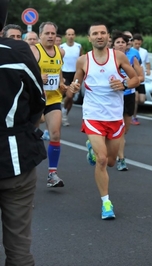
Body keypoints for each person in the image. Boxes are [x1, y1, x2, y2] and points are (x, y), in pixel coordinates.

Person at [69, 22, 140, 220]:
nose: (99, 36)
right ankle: (106, 203)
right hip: (93, 116)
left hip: (114, 117)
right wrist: (72, 89)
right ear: (89, 38)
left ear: (107, 37)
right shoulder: (83, 60)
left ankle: (92, 148)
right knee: (101, 160)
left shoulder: (118, 56)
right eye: (95, 33)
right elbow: (75, 84)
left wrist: (124, 83)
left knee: (110, 162)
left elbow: (136, 79)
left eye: (102, 33)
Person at [0, 0, 47, 264]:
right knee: (19, 249)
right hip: (16, 158)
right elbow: (38, 101)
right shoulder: (18, 51)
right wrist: (21, 130)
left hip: (16, 151)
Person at [31, 21, 67, 188]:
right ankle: (27, 176)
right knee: (30, 136)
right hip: (35, 100)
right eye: (47, 33)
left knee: (55, 134)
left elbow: (58, 71)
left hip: (53, 99)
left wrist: (62, 83)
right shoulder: (34, 51)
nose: (51, 36)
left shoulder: (60, 52)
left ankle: (52, 174)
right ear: (40, 36)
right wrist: (39, 78)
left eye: (53, 34)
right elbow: (26, 74)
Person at [111, 30, 144, 171]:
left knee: (124, 129)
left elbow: (140, 77)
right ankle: (121, 159)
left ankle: (116, 149)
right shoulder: (108, 57)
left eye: (123, 42)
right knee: (116, 128)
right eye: (117, 42)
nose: (120, 45)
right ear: (113, 45)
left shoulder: (133, 56)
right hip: (112, 96)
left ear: (126, 45)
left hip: (128, 94)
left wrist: (127, 83)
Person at [60, 28, 83, 126]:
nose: (70, 36)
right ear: (65, 36)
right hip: (64, 73)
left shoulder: (78, 46)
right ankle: (63, 113)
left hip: (75, 74)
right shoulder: (61, 47)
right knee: (68, 95)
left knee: (71, 97)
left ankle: (65, 114)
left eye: (72, 34)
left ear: (75, 36)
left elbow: (82, 59)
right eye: (68, 34)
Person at [130, 33, 151, 125]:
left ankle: (132, 113)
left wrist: (148, 69)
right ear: (132, 43)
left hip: (141, 78)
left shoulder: (144, 51)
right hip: (133, 77)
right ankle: (133, 117)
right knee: (136, 98)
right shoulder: (130, 51)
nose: (137, 45)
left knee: (141, 100)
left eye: (139, 44)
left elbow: (147, 62)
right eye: (136, 44)